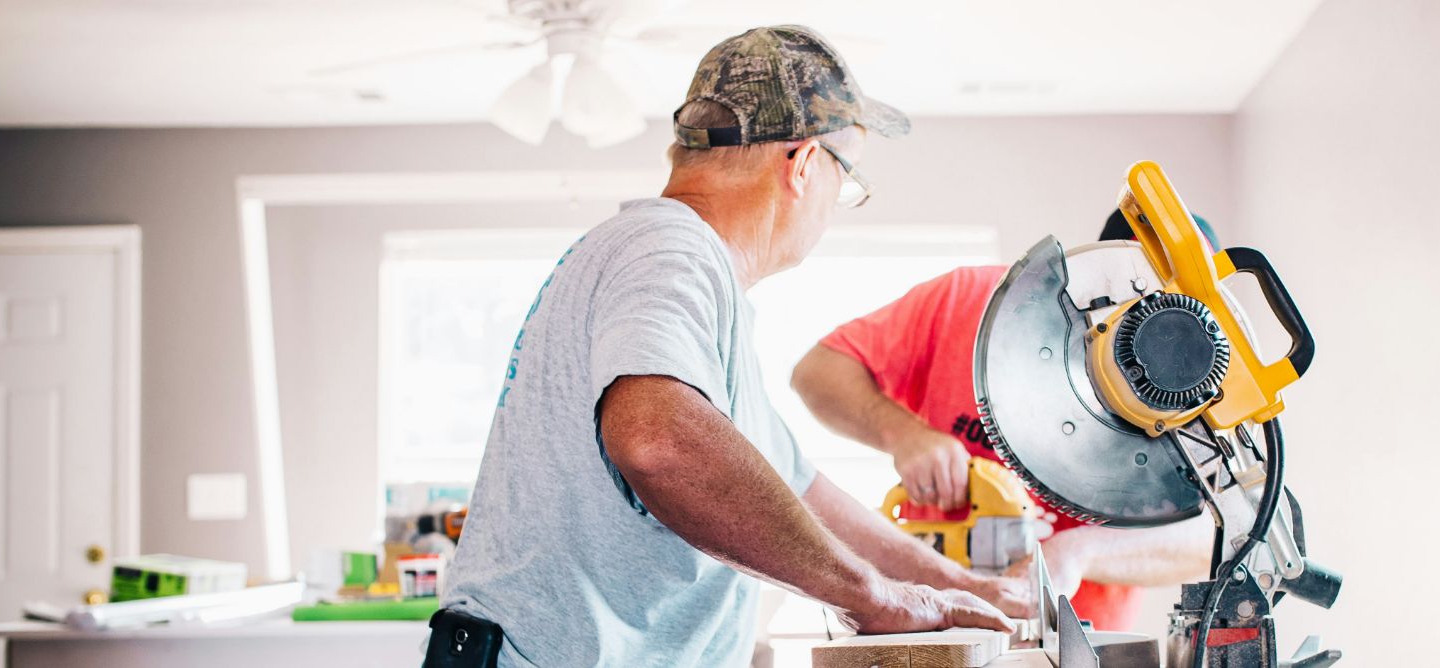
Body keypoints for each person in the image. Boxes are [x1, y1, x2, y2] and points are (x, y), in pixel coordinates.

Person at [435, 26, 1028, 668]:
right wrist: (871, 597)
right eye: (847, 178)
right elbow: (659, 442)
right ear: (803, 165)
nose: (837, 205)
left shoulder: (682, 275)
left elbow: (799, 491)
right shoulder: (669, 248)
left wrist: (958, 587)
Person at [791, 210, 1221, 632]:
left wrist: (1079, 551)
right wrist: (903, 434)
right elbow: (817, 372)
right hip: (929, 620)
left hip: (1074, 643)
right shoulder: (968, 299)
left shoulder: (1198, 390)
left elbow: (1215, 538)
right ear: (1097, 265)